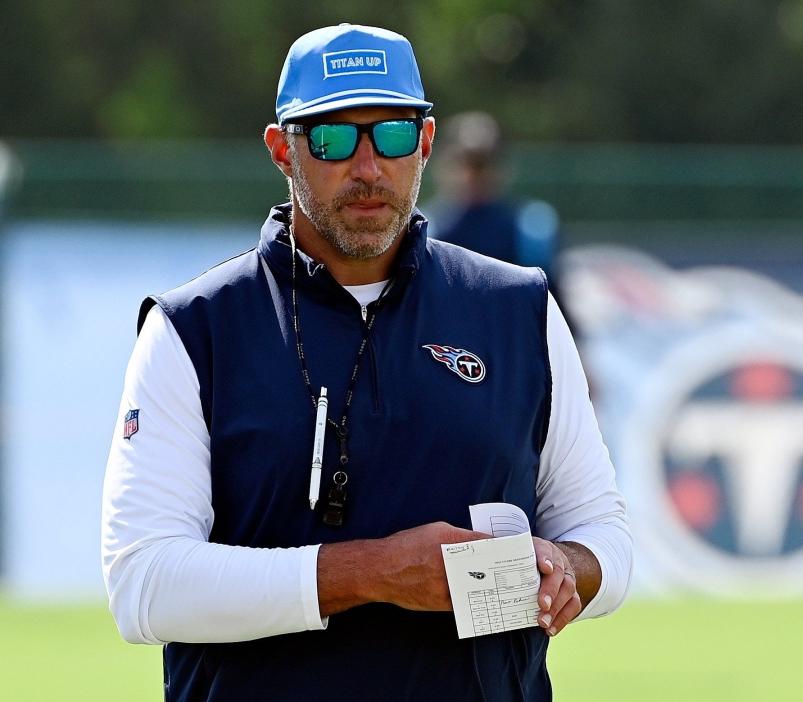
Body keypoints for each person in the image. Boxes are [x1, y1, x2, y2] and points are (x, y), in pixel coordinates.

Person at [101, 24, 631, 701]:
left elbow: (604, 536)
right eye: (332, 138)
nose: (368, 166)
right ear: (280, 150)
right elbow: (143, 586)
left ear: (427, 144)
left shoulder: (518, 308)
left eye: (392, 134)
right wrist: (374, 573)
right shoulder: (192, 328)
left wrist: (564, 566)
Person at [426, 111, 560, 283]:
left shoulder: (529, 227)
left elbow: (548, 295)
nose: (472, 174)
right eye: (463, 162)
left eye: (482, 164)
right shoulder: (425, 229)